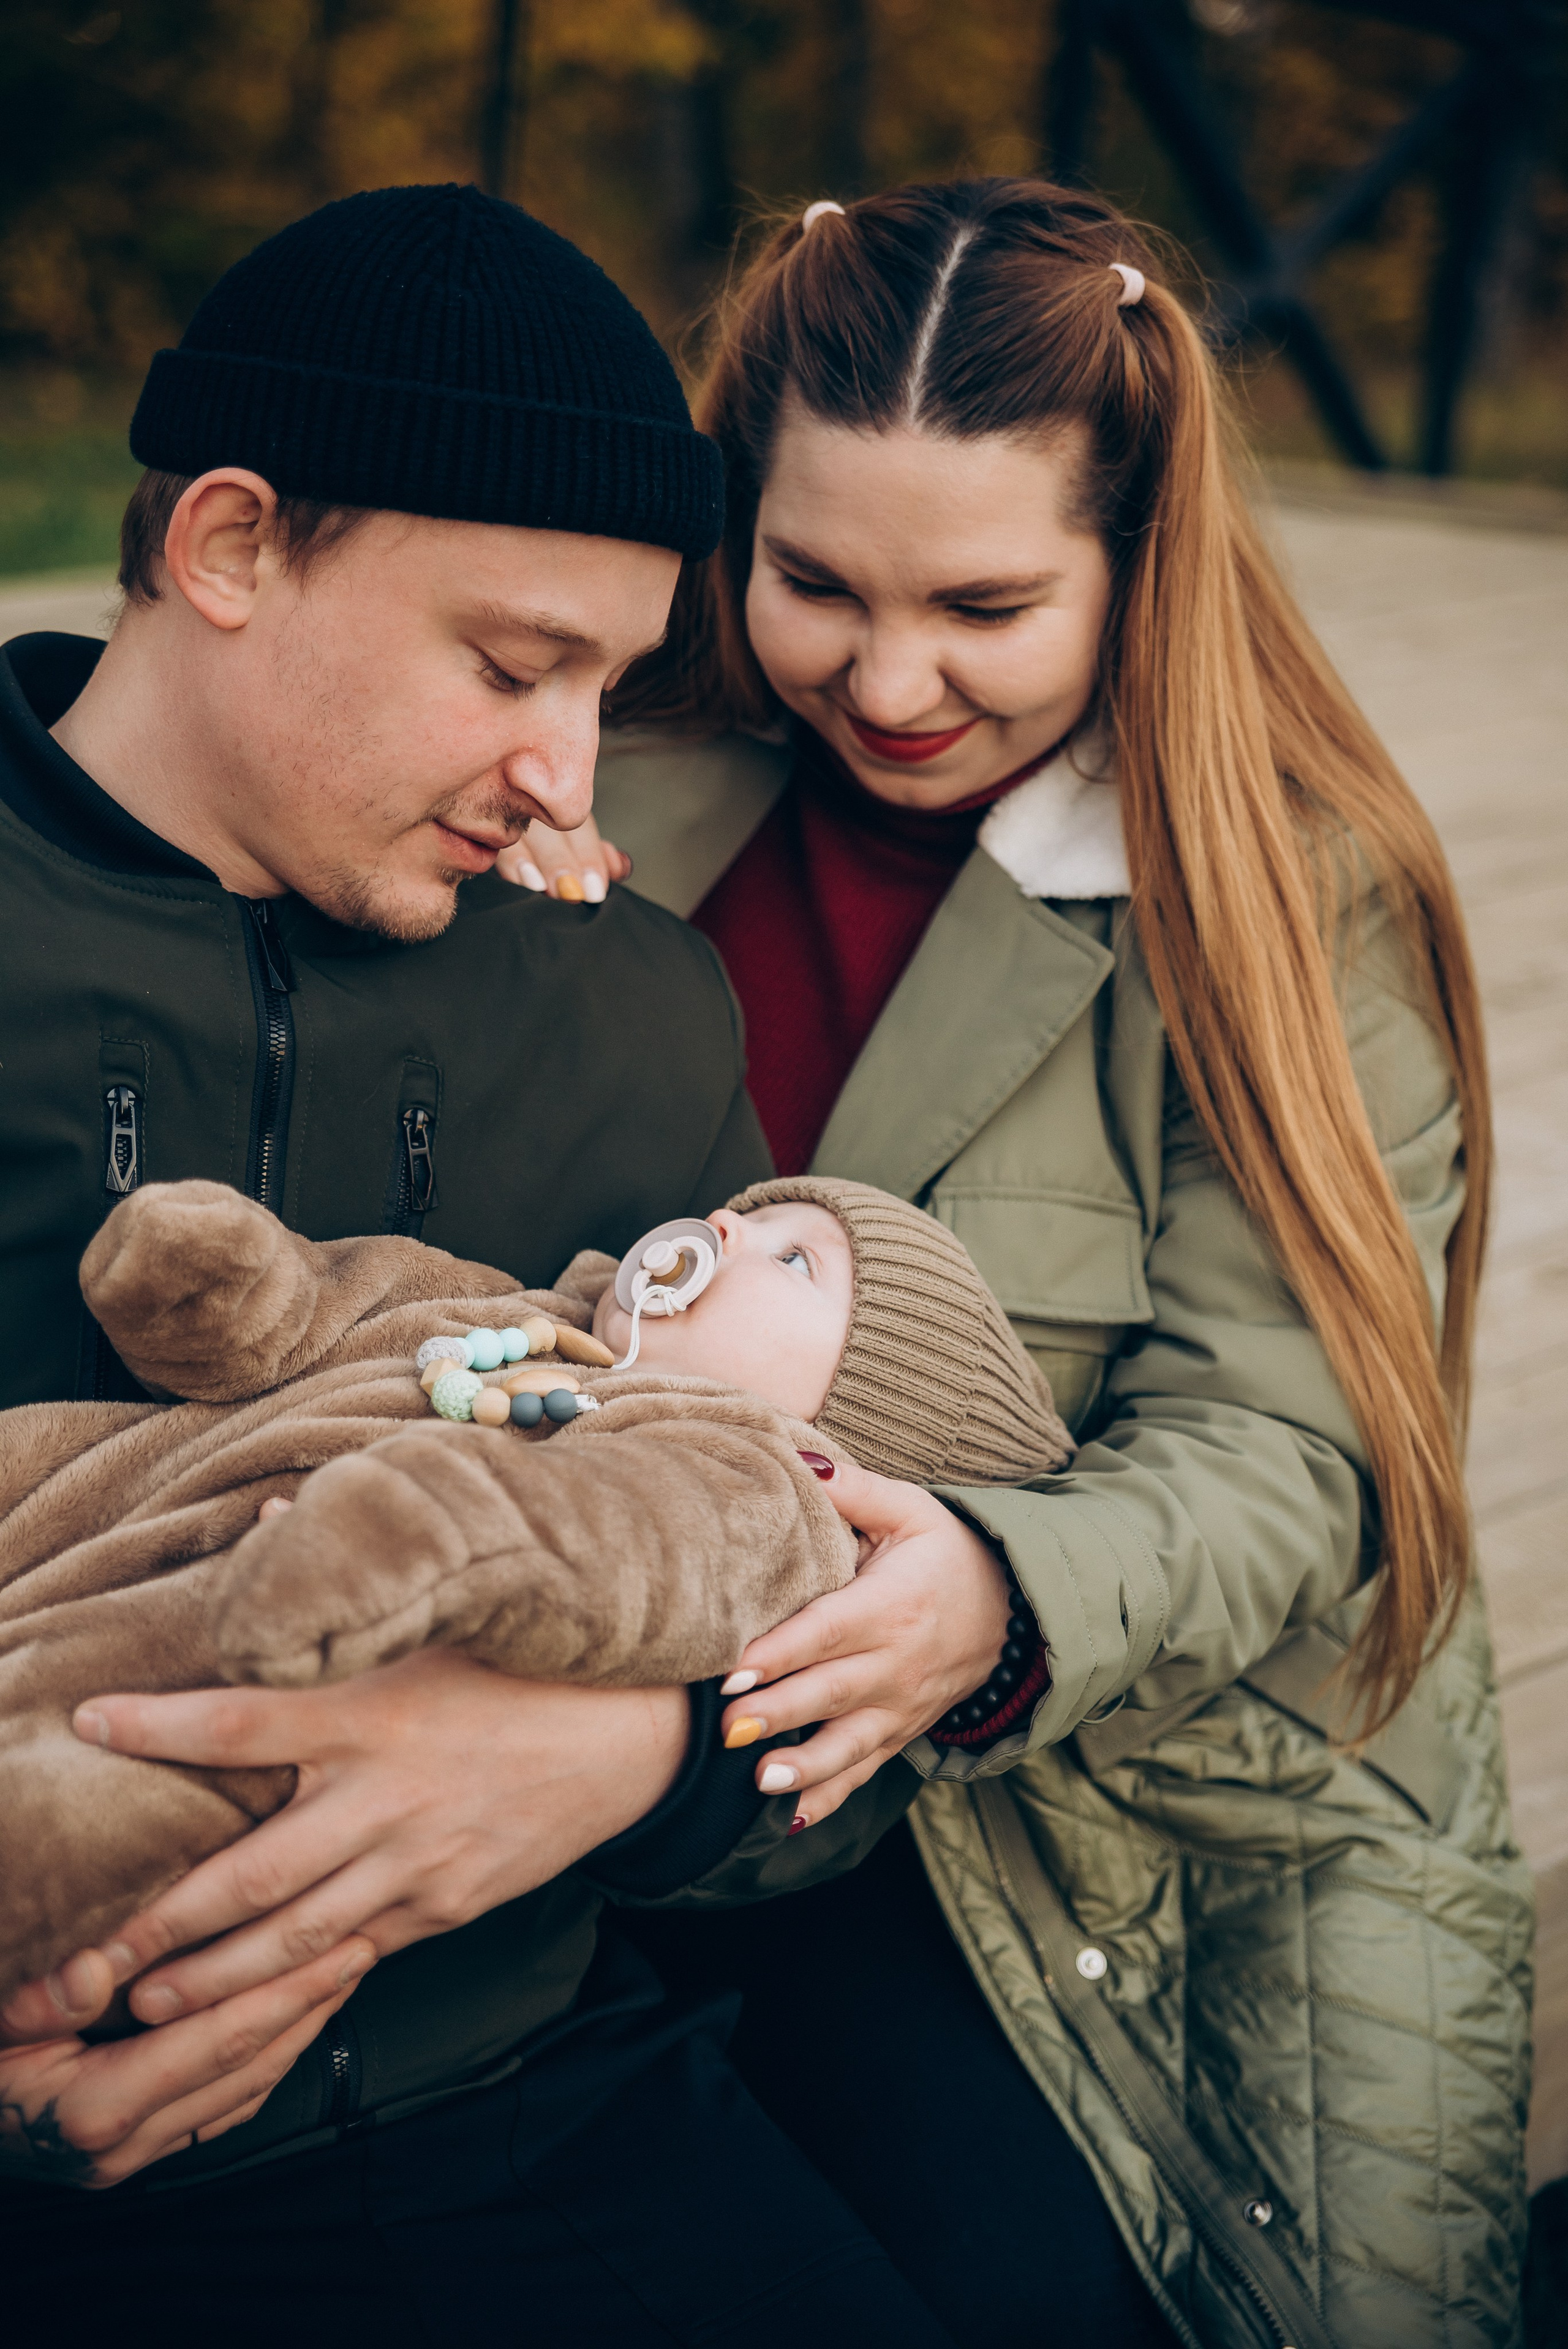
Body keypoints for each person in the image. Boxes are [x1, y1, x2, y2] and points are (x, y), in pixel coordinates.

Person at [0, 184, 1019, 2348]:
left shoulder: (627, 1008)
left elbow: (796, 1595)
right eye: (510, 662)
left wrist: (631, 1760)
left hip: (521, 2107)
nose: (569, 772)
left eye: (613, 679)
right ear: (233, 548)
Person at [531, 178, 1534, 2348]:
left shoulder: (1282, 889)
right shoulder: (606, 782)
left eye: (984, 603)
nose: (886, 680)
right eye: (813, 581)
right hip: (630, 1734)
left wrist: (995, 1595)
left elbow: (1298, 1447)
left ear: (1139, 563)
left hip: (1091, 1790)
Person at [2, 1169, 1069, 2005]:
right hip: (99, 1501)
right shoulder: (521, 1314)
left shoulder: (745, 1489)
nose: (728, 1232)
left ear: (838, 1426)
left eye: (797, 1262)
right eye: (748, 1215)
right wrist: (238, 1291)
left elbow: (606, 1549)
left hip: (265, 1678)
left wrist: (423, 1532)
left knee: (84, 1805)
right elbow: (345, 1304)